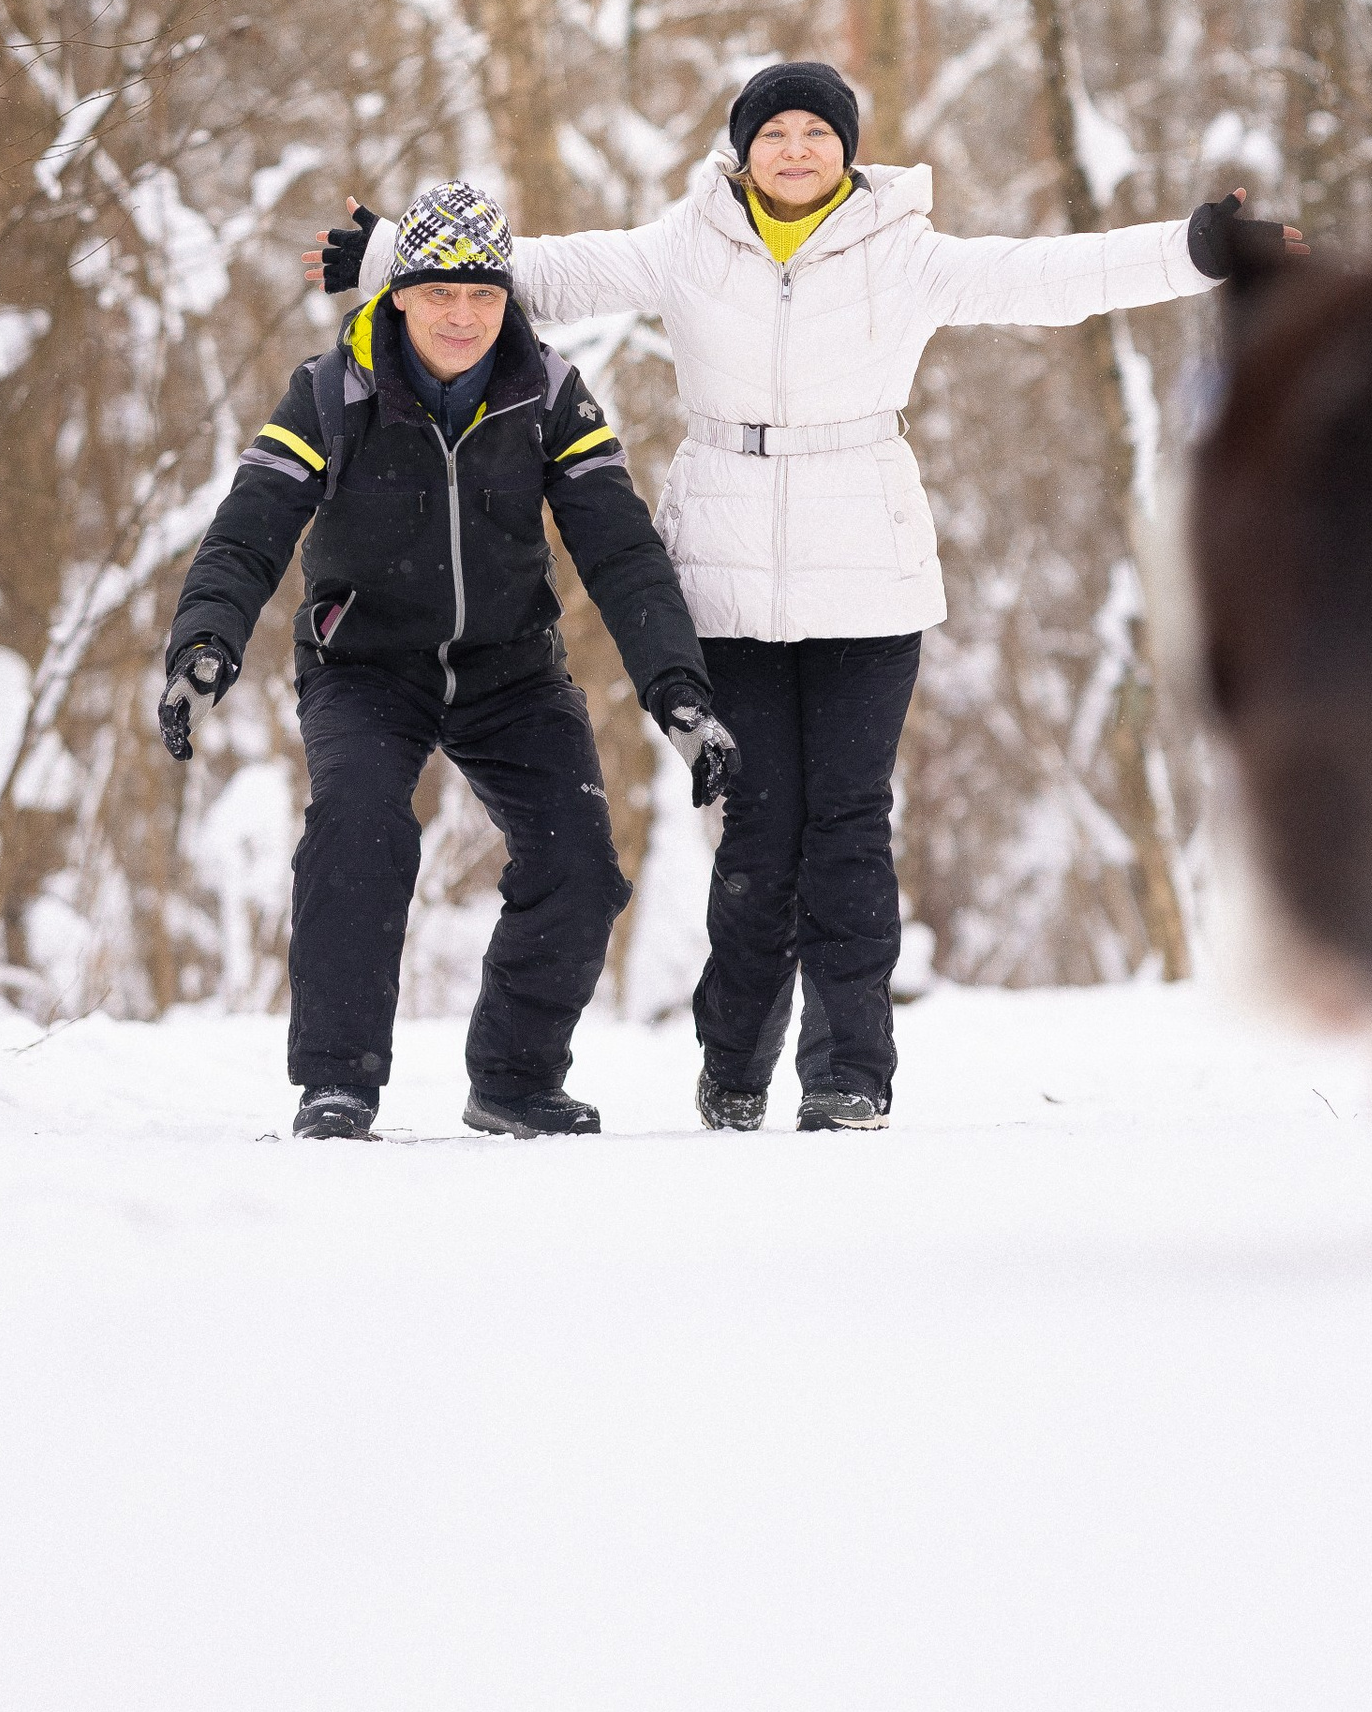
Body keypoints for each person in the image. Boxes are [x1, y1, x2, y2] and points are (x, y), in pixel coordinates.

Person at [327, 71, 1286, 1133]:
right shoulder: (689, 241)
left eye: (814, 133)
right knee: (759, 828)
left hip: (866, 571)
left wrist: (1194, 250)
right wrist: (385, 258)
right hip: (726, 577)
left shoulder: (903, 248)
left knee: (848, 824)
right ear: (742, 151)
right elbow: (548, 271)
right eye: (772, 133)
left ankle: (848, 1071)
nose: (794, 149)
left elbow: (1048, 275)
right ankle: (733, 1064)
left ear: (847, 150)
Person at [160, 178, 739, 1142]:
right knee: (359, 828)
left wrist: (679, 692)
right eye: (438, 293)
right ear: (397, 295)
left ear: (507, 300)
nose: (462, 315)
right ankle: (337, 1084)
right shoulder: (331, 389)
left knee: (582, 862)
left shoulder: (548, 392)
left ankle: (514, 1078)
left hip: (509, 668)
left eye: (483, 293)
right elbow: (250, 527)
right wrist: (205, 641)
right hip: (365, 666)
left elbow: (620, 544)